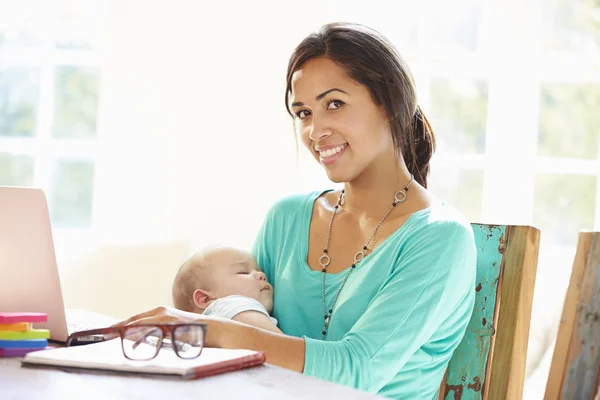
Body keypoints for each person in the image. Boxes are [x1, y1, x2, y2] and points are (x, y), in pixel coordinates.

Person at [117, 22, 477, 399]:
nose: (315, 130)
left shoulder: (440, 238)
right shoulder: (286, 219)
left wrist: (209, 330)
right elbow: (242, 321)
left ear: (388, 104)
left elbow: (357, 371)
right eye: (303, 113)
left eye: (333, 104)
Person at [171, 245, 281, 334]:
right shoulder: (233, 305)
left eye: (259, 270)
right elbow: (281, 347)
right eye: (243, 272)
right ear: (205, 299)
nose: (261, 274)